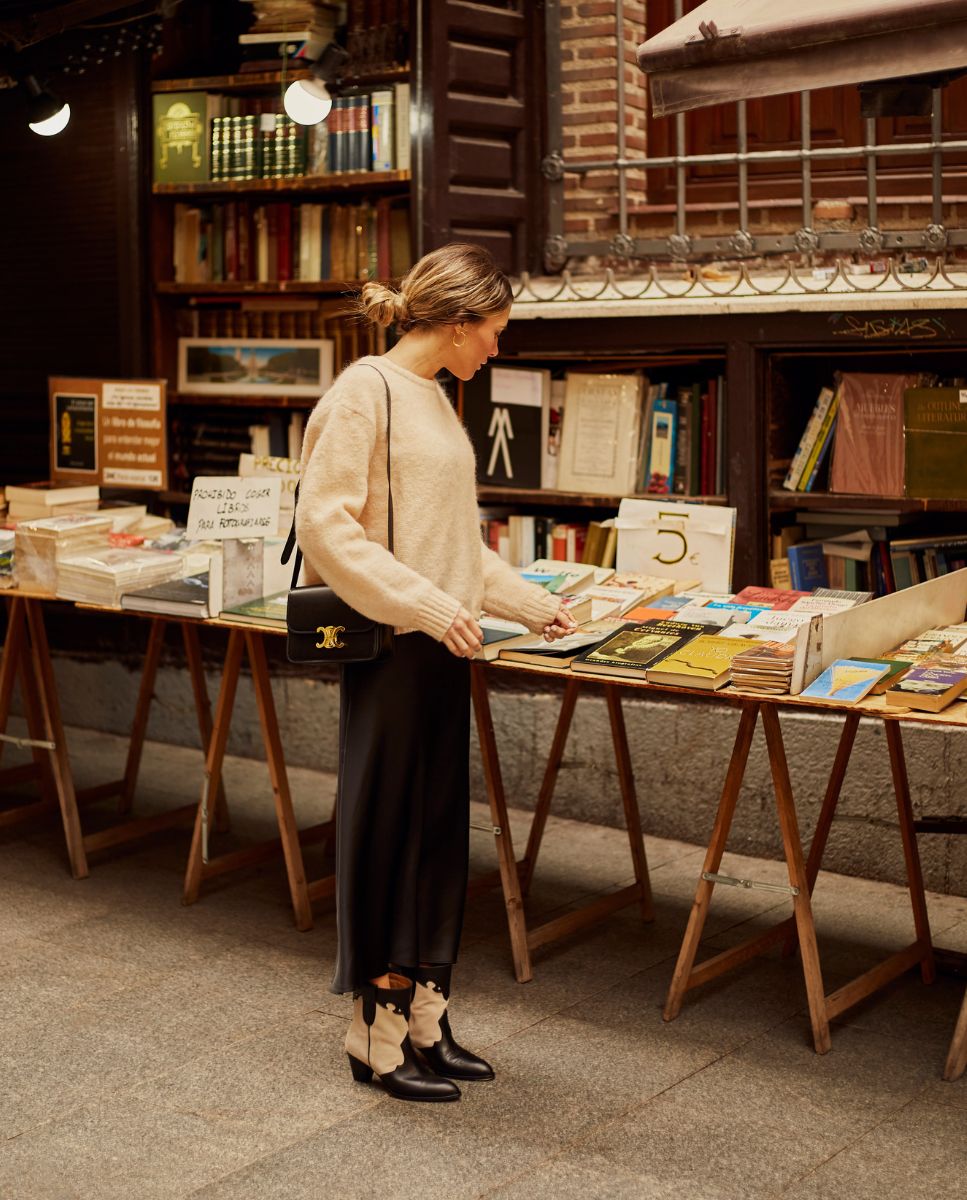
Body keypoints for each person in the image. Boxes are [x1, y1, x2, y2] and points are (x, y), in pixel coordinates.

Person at [295, 243, 577, 1103]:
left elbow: (454, 544)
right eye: (490, 332)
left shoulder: (435, 399)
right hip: (393, 648)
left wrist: (530, 604)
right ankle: (371, 1030)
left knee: (433, 833)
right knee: (385, 833)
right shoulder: (364, 392)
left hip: (442, 645)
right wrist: (423, 605)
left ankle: (425, 1013)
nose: (496, 349)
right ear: (456, 323)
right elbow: (328, 527)